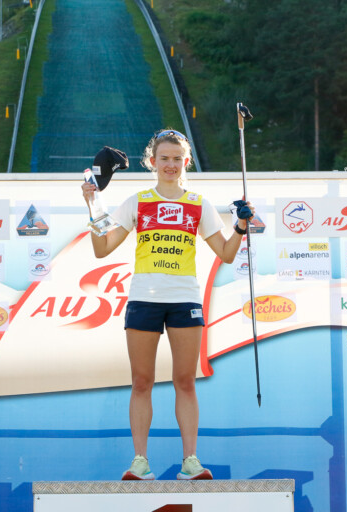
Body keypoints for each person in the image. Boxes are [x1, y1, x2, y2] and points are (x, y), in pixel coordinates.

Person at [81, 129, 254, 481]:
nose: (171, 164)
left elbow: (225, 253)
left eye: (177, 158)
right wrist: (93, 204)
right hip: (144, 299)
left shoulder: (198, 203)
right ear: (152, 162)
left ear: (185, 162)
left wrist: (239, 226)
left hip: (184, 300)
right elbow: (102, 249)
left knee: (185, 381)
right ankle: (140, 462)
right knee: (142, 381)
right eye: (164, 158)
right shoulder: (138, 201)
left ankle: (190, 461)